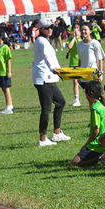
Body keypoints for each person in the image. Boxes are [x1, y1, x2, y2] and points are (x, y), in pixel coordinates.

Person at [32, 18, 71, 147]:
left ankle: (57, 133)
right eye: (47, 27)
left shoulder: (45, 40)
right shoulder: (42, 41)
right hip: (44, 78)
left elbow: (51, 57)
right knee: (46, 108)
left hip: (49, 77)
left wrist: (59, 70)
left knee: (60, 102)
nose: (50, 29)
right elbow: (47, 56)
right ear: (41, 29)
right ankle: (43, 139)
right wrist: (53, 68)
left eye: (51, 27)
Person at [70, 81, 105, 166]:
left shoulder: (96, 108)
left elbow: (96, 130)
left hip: (97, 144)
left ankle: (100, 157)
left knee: (74, 163)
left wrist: (86, 144)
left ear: (90, 93)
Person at [0, 31, 15, 114]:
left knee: (6, 89)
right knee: (4, 90)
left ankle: (8, 108)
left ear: (0, 38)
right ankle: (10, 106)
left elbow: (9, 60)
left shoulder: (5, 48)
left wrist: (9, 71)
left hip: (4, 72)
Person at [77, 22, 105, 88]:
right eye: (81, 30)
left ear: (91, 31)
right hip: (84, 74)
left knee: (95, 95)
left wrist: (100, 74)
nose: (83, 31)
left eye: (85, 30)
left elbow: (100, 59)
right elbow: (80, 60)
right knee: (88, 96)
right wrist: (78, 75)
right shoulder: (79, 45)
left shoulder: (95, 43)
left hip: (93, 73)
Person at [67, 22, 83, 106]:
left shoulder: (83, 38)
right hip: (73, 62)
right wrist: (74, 37)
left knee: (83, 81)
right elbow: (69, 46)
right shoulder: (70, 38)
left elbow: (81, 46)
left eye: (77, 28)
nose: (76, 30)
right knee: (75, 82)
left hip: (82, 62)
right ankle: (77, 99)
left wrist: (78, 38)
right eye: (74, 28)